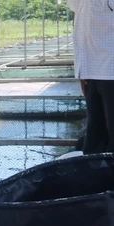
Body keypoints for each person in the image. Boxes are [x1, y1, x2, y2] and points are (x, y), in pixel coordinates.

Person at [68, 0, 114, 154]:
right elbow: (79, 23)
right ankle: (94, 169)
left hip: (110, 68)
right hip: (90, 69)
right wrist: (81, 70)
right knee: (95, 128)